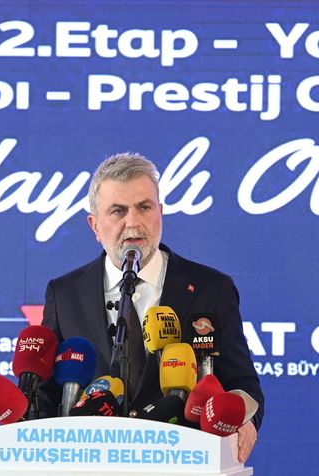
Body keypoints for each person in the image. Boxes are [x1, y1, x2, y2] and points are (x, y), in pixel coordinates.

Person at [38, 152, 264, 462]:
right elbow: (46, 394)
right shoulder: (65, 293)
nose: (133, 222)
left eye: (143, 207)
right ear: (95, 225)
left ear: (160, 213)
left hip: (183, 462)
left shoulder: (211, 288)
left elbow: (242, 383)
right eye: (118, 211)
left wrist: (243, 419)